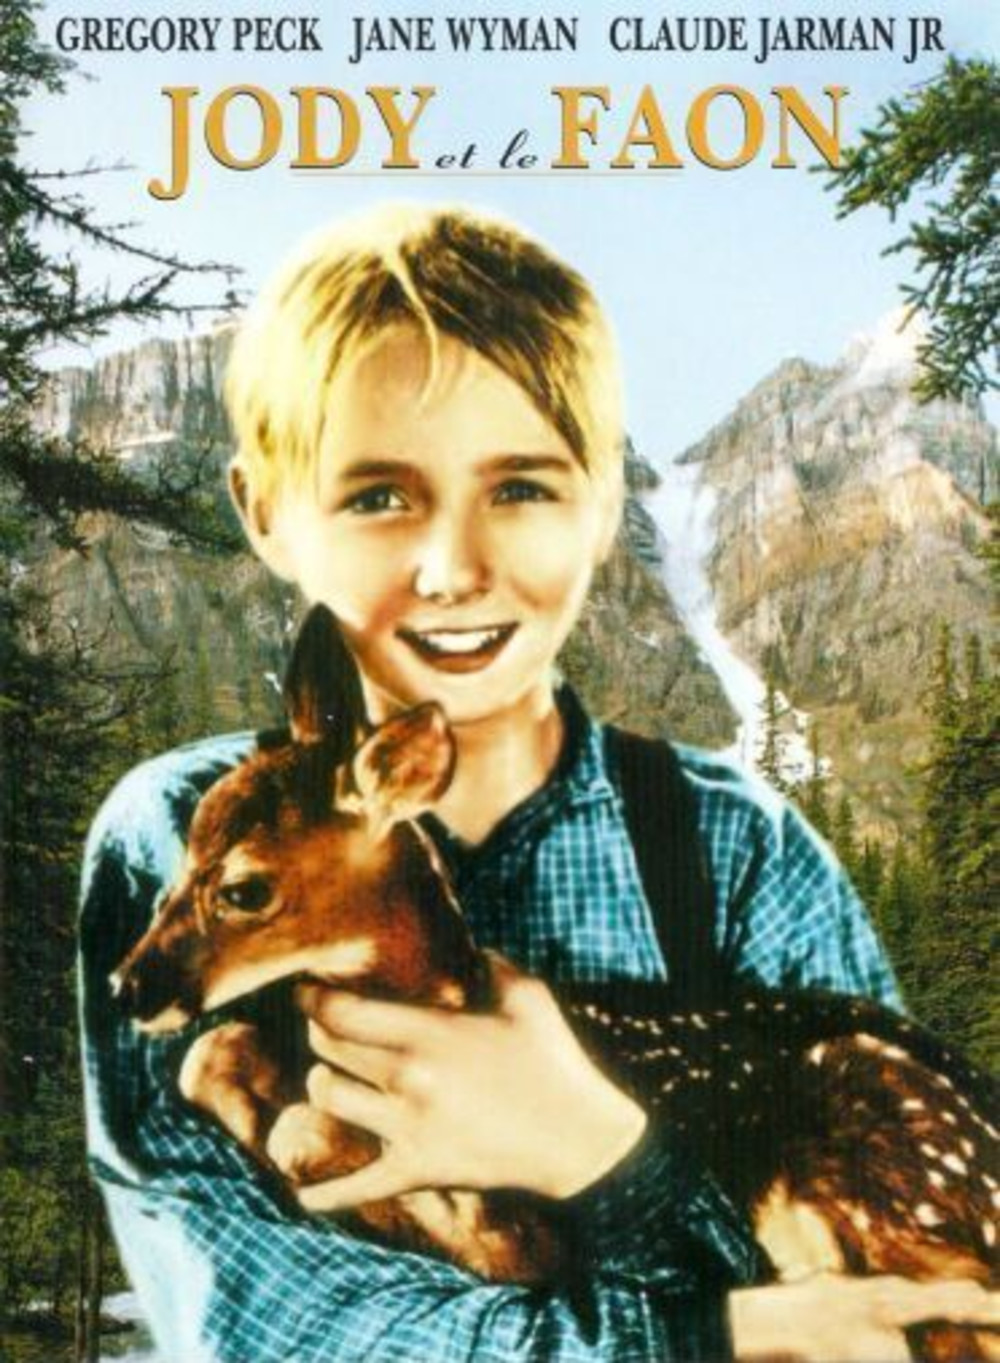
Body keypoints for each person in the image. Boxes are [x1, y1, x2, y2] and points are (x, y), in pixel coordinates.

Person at [79, 203, 997, 1362]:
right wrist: (717, 1328)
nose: (454, 568)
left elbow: (891, 1328)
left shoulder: (738, 850)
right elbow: (260, 1315)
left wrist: (611, 1162)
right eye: (377, 494)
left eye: (517, 488)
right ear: (267, 510)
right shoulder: (173, 826)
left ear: (603, 501)